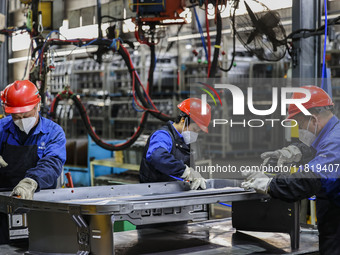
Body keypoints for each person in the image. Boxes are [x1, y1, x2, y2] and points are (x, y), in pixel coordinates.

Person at [241, 85, 340, 254]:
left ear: (313, 120)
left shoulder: (336, 141)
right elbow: (316, 150)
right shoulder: (330, 134)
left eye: (300, 125)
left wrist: (270, 184)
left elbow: (309, 180)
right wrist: (295, 151)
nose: (299, 131)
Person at [0, 80, 66, 244]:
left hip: (40, 204)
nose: (21, 120)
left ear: (38, 106)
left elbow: (52, 163)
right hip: (4, 204)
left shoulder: (53, 132)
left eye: (26, 115)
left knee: (41, 246)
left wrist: (31, 182)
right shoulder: (1, 129)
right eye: (16, 116)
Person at [140, 98, 211, 190]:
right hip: (153, 193)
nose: (195, 134)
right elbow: (157, 156)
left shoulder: (184, 140)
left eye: (198, 131)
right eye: (194, 129)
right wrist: (185, 171)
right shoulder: (163, 135)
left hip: (172, 192)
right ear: (183, 120)